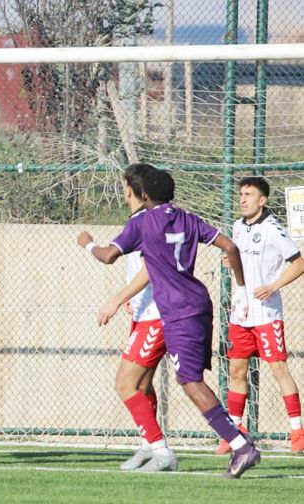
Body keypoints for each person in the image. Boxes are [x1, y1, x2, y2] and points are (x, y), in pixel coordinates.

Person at [78, 167, 260, 479]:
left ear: (143, 194)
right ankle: (160, 445)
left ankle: (239, 445)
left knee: (189, 382)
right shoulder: (187, 217)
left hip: (175, 311)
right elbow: (230, 247)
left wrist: (87, 244)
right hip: (198, 304)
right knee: (181, 380)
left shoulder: (143, 222)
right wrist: (241, 290)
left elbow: (109, 256)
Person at [78, 163, 173, 471]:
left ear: (131, 190)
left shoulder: (146, 221)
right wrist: (132, 298)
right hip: (146, 311)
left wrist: (88, 243)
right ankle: (149, 446)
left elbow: (147, 268)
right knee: (142, 385)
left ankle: (162, 452)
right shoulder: (142, 219)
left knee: (124, 383)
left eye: (123, 187)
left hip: (157, 315)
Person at [217, 176, 304, 454]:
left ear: (262, 200)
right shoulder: (237, 227)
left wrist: (273, 286)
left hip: (266, 314)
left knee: (279, 369)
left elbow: (299, 263)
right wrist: (232, 262)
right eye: (241, 194)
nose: (242, 199)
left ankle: (297, 431)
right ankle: (235, 431)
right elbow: (242, 262)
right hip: (241, 313)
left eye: (249, 194)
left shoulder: (273, 230)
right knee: (236, 370)